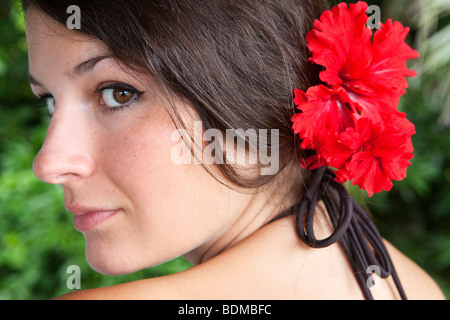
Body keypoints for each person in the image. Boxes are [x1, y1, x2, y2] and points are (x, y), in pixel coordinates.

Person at [22, 0, 445, 300]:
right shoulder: (412, 285)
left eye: (117, 93)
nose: (50, 163)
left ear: (253, 94)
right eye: (50, 101)